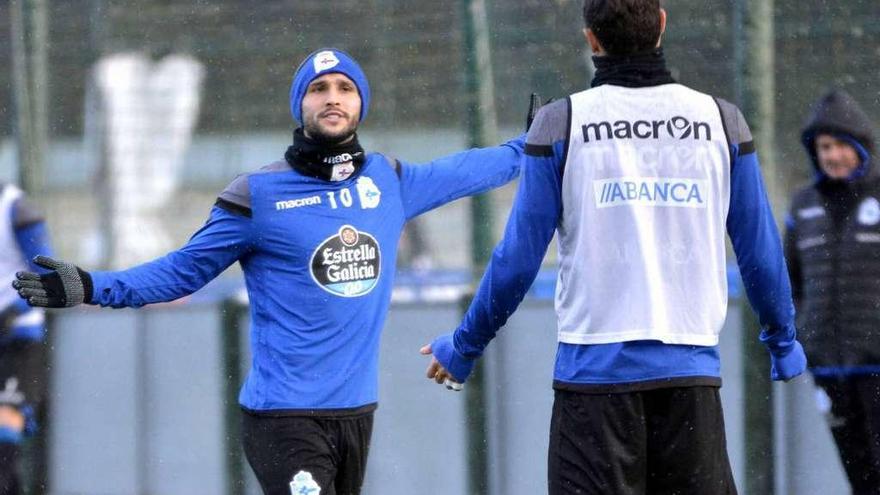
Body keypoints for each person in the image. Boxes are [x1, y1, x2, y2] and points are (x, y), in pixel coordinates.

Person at [12, 48, 527, 495]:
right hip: (283, 418)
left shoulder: (388, 179)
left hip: (356, 413)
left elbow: (471, 169)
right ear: (299, 104)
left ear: (360, 103)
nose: (333, 97)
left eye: (345, 88)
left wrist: (534, 145)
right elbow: (182, 272)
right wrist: (92, 285)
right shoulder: (255, 196)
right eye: (318, 88)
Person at [421, 1, 807, 493]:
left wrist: (465, 345)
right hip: (689, 381)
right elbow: (760, 251)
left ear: (591, 40)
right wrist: (782, 340)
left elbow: (517, 259)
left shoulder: (561, 122)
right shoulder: (721, 120)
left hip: (593, 383)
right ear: (662, 25)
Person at [785, 89, 880, 494]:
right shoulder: (802, 206)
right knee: (857, 473)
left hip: (876, 365)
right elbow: (792, 284)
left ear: (861, 147)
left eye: (841, 145)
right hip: (829, 369)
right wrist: (807, 336)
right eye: (825, 147)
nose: (833, 155)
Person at [0, 183, 53, 495]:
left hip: (18, 336)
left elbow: (50, 277)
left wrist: (12, 311)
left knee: (5, 423)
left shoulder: (17, 210)